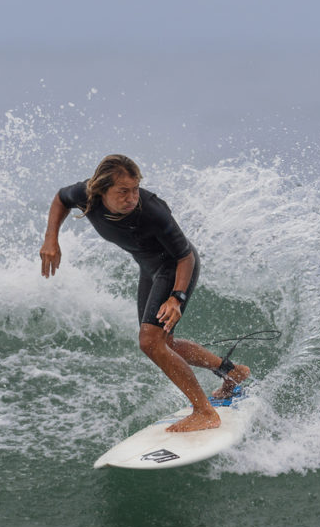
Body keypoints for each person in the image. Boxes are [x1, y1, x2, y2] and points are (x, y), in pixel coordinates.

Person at [39, 154, 249, 432]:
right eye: (123, 191)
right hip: (150, 268)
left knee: (150, 342)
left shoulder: (152, 210)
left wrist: (177, 297)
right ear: (101, 190)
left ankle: (204, 412)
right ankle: (232, 372)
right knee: (164, 343)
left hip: (174, 266)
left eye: (135, 189)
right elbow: (60, 199)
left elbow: (185, 256)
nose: (131, 197)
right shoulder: (85, 193)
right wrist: (51, 237)